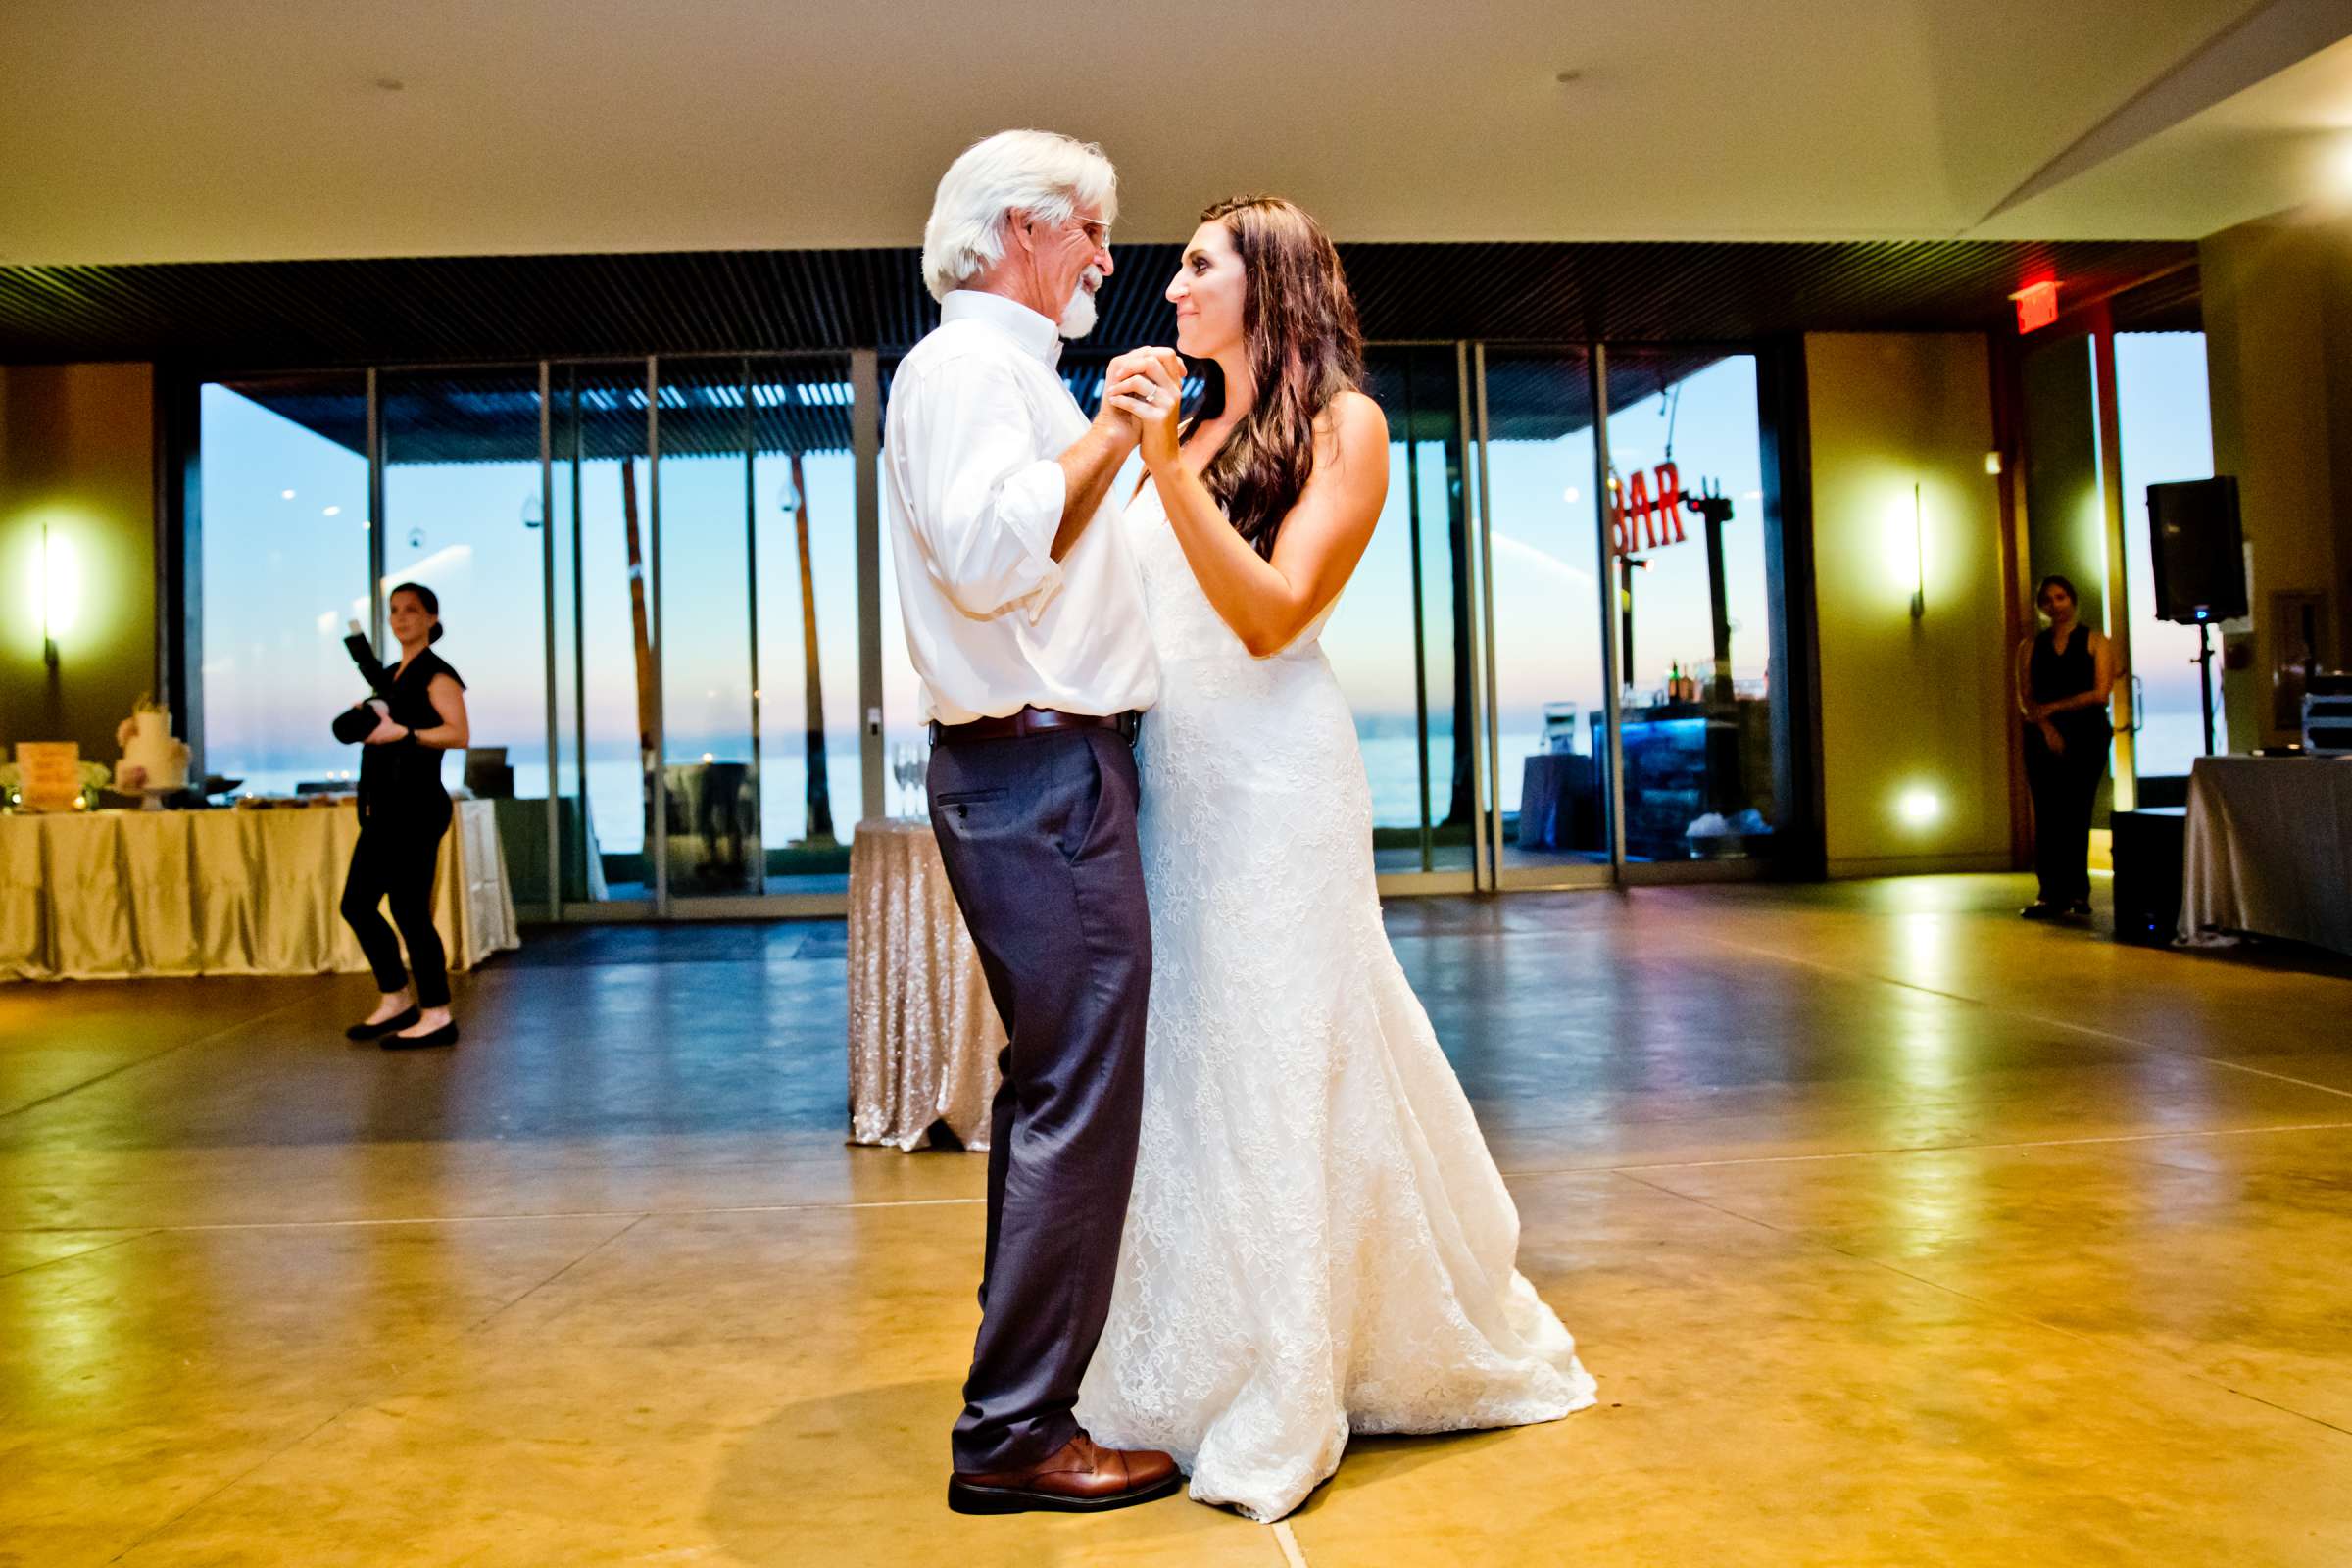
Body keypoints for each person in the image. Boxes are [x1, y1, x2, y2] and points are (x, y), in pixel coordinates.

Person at [1074, 197, 1596, 1522]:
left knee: (1288, 1048)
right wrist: (1115, 449)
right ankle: (1204, 1338)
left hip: (1275, 779)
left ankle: (1303, 1365)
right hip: (1177, 781)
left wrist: (1167, 465)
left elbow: (1272, 614)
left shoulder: (1342, 427)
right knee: (1198, 1058)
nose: (1173, 286)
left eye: (1199, 266)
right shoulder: (1180, 426)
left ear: (1272, 284)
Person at [885, 129, 1180, 1516]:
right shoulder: (965, 372)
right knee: (1077, 1102)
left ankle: (1023, 1402)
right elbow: (1001, 559)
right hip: (1037, 779)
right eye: (1096, 235)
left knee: (1049, 1094)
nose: (1110, 264)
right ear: (1021, 224)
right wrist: (1119, 432)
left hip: (1049, 773)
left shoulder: (1014, 378)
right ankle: (1012, 1437)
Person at [340, 582, 470, 1049]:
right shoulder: (391, 675)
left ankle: (437, 1013)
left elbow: (458, 734)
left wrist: (403, 733)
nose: (401, 618)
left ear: (432, 619)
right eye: (394, 610)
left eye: (412, 610)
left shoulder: (439, 675)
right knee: (356, 905)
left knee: (410, 912)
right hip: (382, 810)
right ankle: (396, 999)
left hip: (417, 808)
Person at [2015, 573, 2115, 920]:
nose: (2054, 605)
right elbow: (2026, 697)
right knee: (2047, 811)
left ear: (2072, 600)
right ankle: (2049, 893)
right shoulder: (2030, 647)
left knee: (2077, 810)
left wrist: (2054, 709)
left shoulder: (2097, 641)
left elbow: (2101, 693)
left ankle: (2078, 892)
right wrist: (2045, 726)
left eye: (2060, 598)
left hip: (2086, 733)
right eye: (2047, 600)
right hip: (2042, 734)